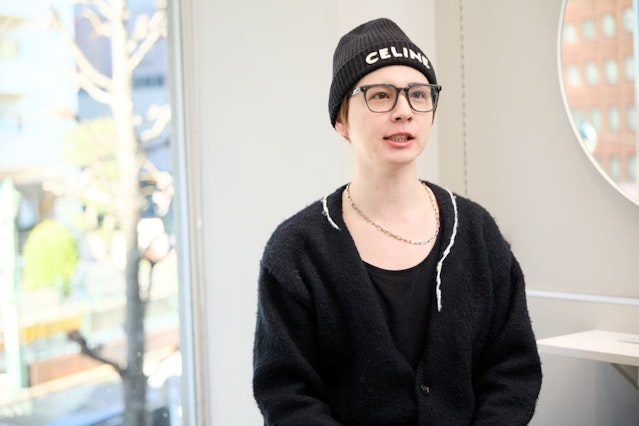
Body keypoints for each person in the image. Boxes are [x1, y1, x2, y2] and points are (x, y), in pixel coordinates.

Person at [253, 17, 542, 425]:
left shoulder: (477, 233)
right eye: (380, 95)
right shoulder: (297, 250)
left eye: (418, 94)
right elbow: (286, 393)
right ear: (341, 119)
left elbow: (512, 371)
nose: (404, 111)